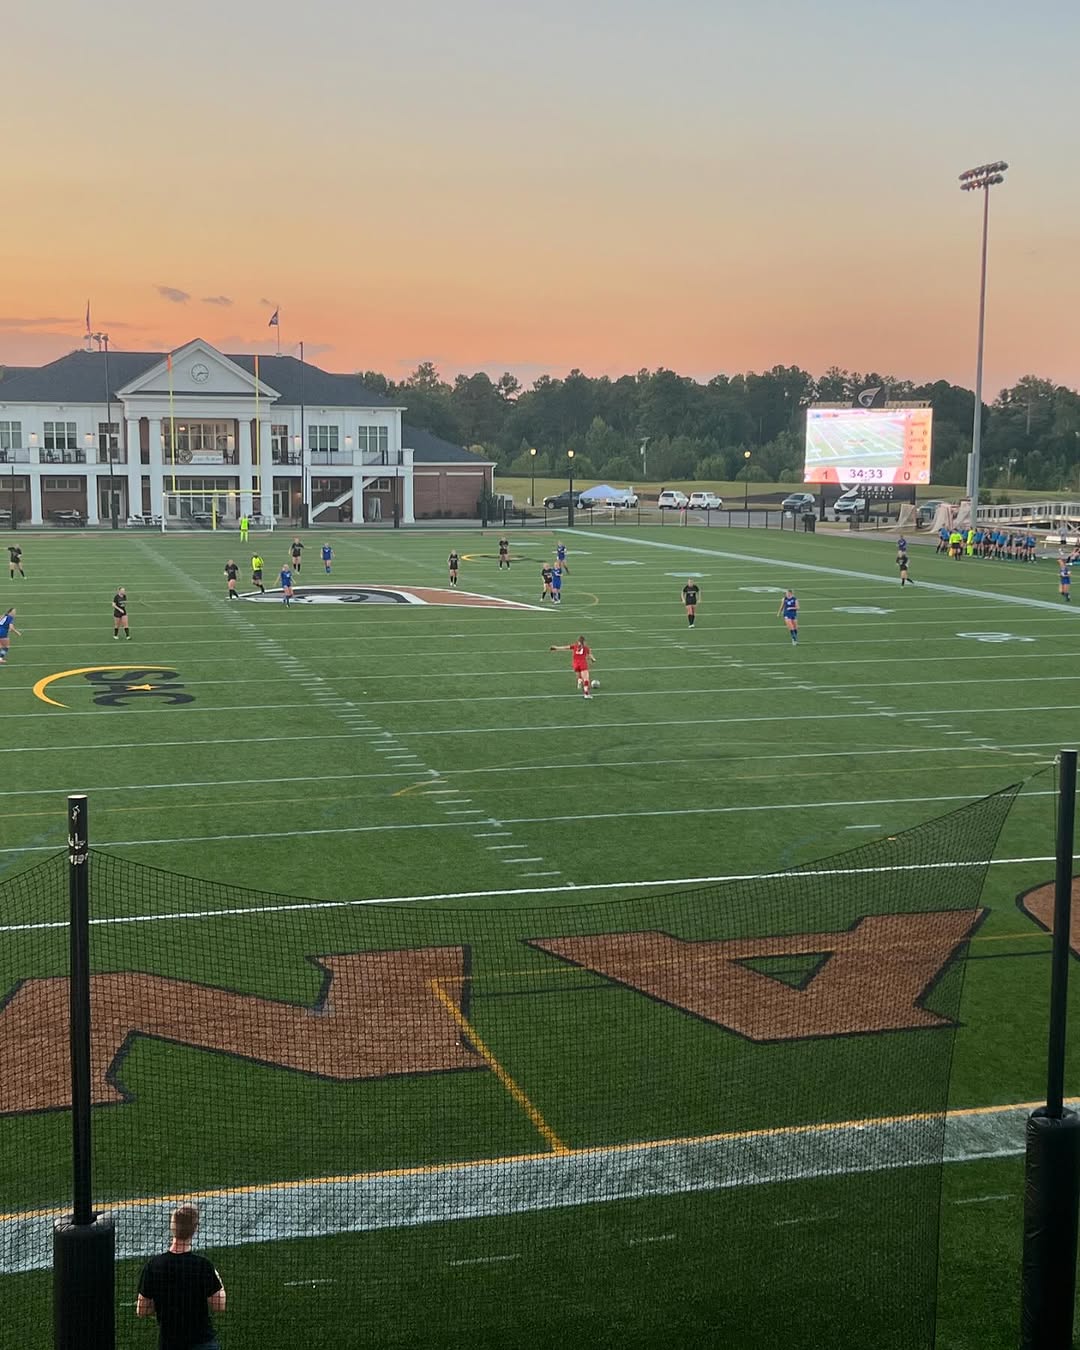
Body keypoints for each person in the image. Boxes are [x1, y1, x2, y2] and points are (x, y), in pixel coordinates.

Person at [137, 1203, 225, 1350]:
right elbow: (219, 1305)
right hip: (202, 1342)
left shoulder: (153, 1266)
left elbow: (142, 1310)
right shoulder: (202, 1265)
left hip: (170, 1344)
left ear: (172, 1227)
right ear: (195, 1229)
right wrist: (217, 1277)